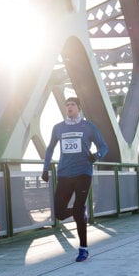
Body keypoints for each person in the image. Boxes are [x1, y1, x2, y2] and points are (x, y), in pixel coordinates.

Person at [41, 96, 108, 262]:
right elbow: (50, 149)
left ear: (79, 108)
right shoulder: (58, 128)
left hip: (83, 172)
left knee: (78, 209)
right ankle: (80, 212)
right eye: (67, 105)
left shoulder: (88, 126)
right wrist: (45, 168)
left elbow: (103, 146)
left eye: (72, 105)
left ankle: (83, 249)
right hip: (64, 173)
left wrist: (97, 156)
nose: (69, 107)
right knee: (59, 212)